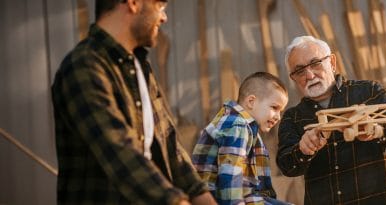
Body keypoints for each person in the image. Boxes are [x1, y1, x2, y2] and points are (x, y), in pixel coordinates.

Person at [51, 0, 216, 204]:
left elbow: (169, 144)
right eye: (159, 6)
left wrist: (201, 195)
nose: (164, 17)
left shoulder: (140, 67)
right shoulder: (84, 66)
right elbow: (119, 151)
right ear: (133, 3)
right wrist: (177, 201)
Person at [276, 36, 386, 205]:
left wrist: (378, 130)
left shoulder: (369, 92)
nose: (309, 75)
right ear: (293, 78)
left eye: (315, 63)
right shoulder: (292, 117)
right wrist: (302, 150)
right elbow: (286, 166)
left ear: (331, 62)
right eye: (299, 71)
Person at [191, 72, 291, 205]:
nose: (278, 116)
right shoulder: (237, 126)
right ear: (251, 101)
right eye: (274, 107)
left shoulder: (244, 126)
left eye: (281, 111)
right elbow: (230, 176)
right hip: (219, 200)